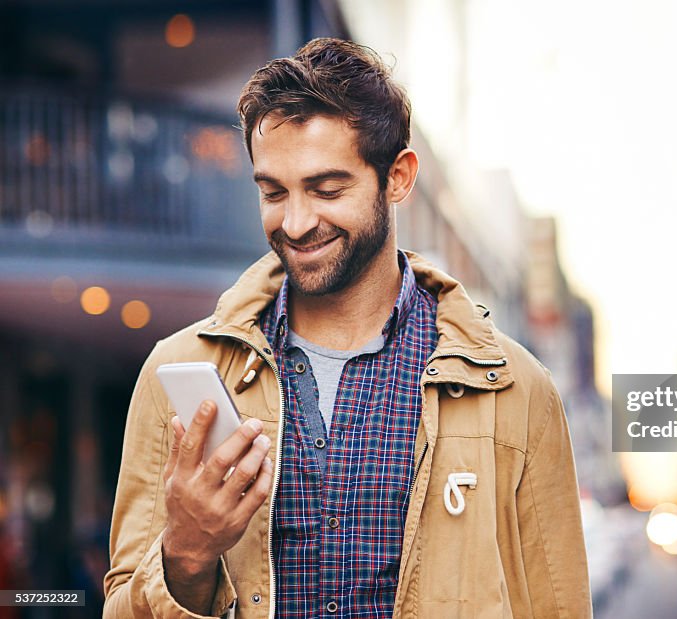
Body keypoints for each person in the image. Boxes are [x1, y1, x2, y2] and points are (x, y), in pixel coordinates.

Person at [103, 38, 591, 618]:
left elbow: (557, 606)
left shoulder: (516, 390)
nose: (297, 222)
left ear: (399, 178)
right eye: (273, 192)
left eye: (328, 189)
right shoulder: (175, 373)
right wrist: (185, 554)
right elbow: (121, 606)